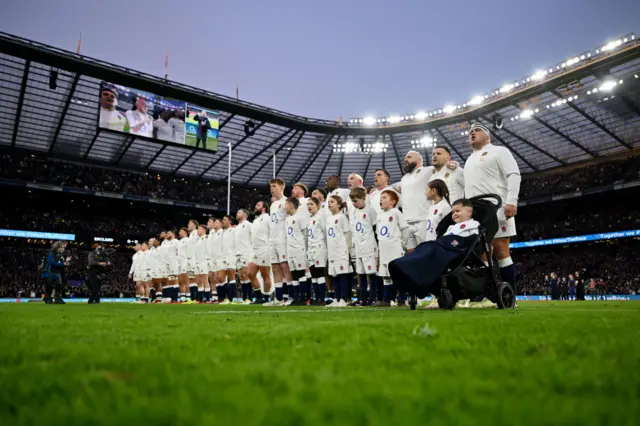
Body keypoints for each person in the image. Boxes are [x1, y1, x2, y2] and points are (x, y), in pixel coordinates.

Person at [464, 122, 521, 297]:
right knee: (481, 252)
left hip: (497, 207)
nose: (472, 133)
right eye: (470, 132)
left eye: (477, 130)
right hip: (476, 212)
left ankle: (509, 296)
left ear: (487, 136)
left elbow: (513, 174)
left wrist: (512, 200)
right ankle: (487, 295)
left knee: (501, 249)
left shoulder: (499, 151)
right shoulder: (469, 159)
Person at [422, 179, 452, 309]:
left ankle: (443, 298)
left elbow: (448, 227)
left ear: (433, 191)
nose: (425, 192)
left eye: (427, 189)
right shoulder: (432, 207)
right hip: (430, 243)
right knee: (432, 273)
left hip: (440, 244)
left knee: (440, 272)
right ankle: (435, 298)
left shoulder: (445, 207)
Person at [376, 190, 408, 307]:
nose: (381, 200)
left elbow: (404, 228)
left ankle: (401, 299)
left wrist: (404, 244)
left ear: (393, 201)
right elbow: (379, 235)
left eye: (384, 197)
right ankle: (386, 299)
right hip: (384, 249)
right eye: (381, 198)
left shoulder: (395, 212)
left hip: (395, 249)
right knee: (385, 275)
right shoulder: (379, 216)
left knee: (397, 275)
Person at [349, 187, 378, 306]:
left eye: (356, 201)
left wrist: (378, 247)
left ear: (364, 198)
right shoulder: (353, 212)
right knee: (360, 274)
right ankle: (362, 298)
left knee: (371, 273)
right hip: (358, 247)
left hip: (369, 246)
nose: (354, 203)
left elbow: (375, 229)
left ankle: (373, 297)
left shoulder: (370, 210)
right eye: (352, 201)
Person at [268, 178, 293, 305]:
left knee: (285, 266)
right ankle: (278, 298)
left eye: (274, 186)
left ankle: (290, 296)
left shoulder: (286, 202)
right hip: (272, 240)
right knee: (275, 267)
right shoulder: (273, 205)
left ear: (281, 187)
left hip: (282, 239)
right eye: (271, 186)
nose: (271, 189)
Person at [325, 194, 352, 307]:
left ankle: (344, 299)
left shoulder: (342, 217)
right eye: (328, 202)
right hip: (332, 252)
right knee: (334, 276)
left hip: (341, 251)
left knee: (342, 276)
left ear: (339, 204)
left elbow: (348, 234)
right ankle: (337, 298)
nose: (329, 203)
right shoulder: (328, 219)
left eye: (332, 202)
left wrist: (346, 249)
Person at [285, 197, 309, 305]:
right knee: (294, 275)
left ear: (290, 205)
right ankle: (296, 297)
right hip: (290, 250)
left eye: (286, 204)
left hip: (299, 249)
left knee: (301, 274)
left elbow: (305, 234)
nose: (284, 207)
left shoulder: (300, 217)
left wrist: (304, 248)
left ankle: (304, 297)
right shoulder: (287, 219)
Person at [248, 201, 271, 304]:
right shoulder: (256, 220)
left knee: (265, 275)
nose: (255, 207)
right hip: (254, 249)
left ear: (264, 208)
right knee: (250, 274)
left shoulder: (268, 218)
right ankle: (259, 297)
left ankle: (266, 297)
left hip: (264, 248)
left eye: (258, 205)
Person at [307, 197, 328, 305]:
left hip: (319, 248)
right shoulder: (309, 219)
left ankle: (322, 299)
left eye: (311, 204)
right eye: (308, 205)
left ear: (317, 205)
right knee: (313, 275)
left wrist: (325, 247)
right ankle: (316, 298)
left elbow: (325, 233)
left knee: (320, 274)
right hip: (310, 249)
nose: (309, 206)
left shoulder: (321, 217)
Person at [234, 209, 254, 304]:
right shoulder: (237, 227)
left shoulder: (249, 225)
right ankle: (244, 297)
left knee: (246, 275)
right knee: (241, 277)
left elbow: (254, 237)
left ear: (245, 214)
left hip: (246, 253)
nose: (237, 213)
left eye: (239, 212)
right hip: (237, 254)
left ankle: (249, 298)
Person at [219, 215, 238, 304]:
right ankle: (225, 298)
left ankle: (233, 299)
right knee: (221, 278)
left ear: (230, 221)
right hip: (223, 256)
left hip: (231, 255)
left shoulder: (234, 230)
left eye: (225, 220)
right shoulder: (223, 232)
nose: (223, 221)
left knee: (231, 277)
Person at [194, 224, 210, 303]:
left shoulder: (206, 238)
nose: (198, 230)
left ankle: (207, 298)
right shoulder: (198, 239)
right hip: (197, 262)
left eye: (199, 229)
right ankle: (200, 298)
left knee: (205, 280)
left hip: (203, 261)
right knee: (198, 281)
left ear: (204, 230)